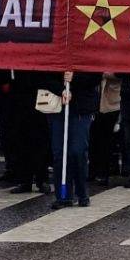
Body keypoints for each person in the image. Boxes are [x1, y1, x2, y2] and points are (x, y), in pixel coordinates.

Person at [43, 70, 100, 209]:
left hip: (81, 107)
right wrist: (61, 89)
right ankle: (63, 196)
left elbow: (95, 76)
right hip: (58, 107)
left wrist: (75, 78)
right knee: (59, 153)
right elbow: (44, 76)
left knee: (77, 151)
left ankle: (82, 193)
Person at [90, 73, 121, 186]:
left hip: (111, 103)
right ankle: (94, 170)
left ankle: (104, 171)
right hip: (96, 101)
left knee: (106, 140)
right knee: (94, 138)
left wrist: (103, 72)